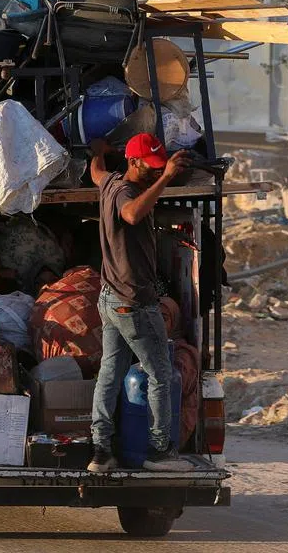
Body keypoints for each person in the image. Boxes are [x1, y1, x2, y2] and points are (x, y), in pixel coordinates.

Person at [87, 133, 193, 473]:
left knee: (110, 373)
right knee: (160, 373)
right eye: (151, 167)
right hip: (133, 303)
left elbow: (95, 171)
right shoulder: (125, 192)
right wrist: (166, 179)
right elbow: (132, 214)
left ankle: (101, 451)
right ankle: (160, 452)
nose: (156, 171)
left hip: (109, 298)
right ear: (134, 162)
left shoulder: (109, 181)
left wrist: (99, 151)